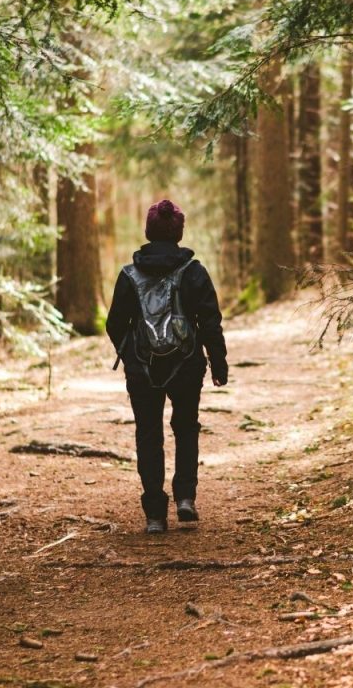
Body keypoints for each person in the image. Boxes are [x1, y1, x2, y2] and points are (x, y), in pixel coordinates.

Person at [106, 199, 229, 533]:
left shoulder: (129, 275)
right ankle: (186, 498)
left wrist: (131, 354)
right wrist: (218, 364)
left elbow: (115, 323)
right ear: (179, 232)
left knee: (149, 434)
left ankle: (155, 516)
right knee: (186, 427)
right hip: (187, 364)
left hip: (142, 368)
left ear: (148, 231)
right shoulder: (194, 271)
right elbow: (210, 322)